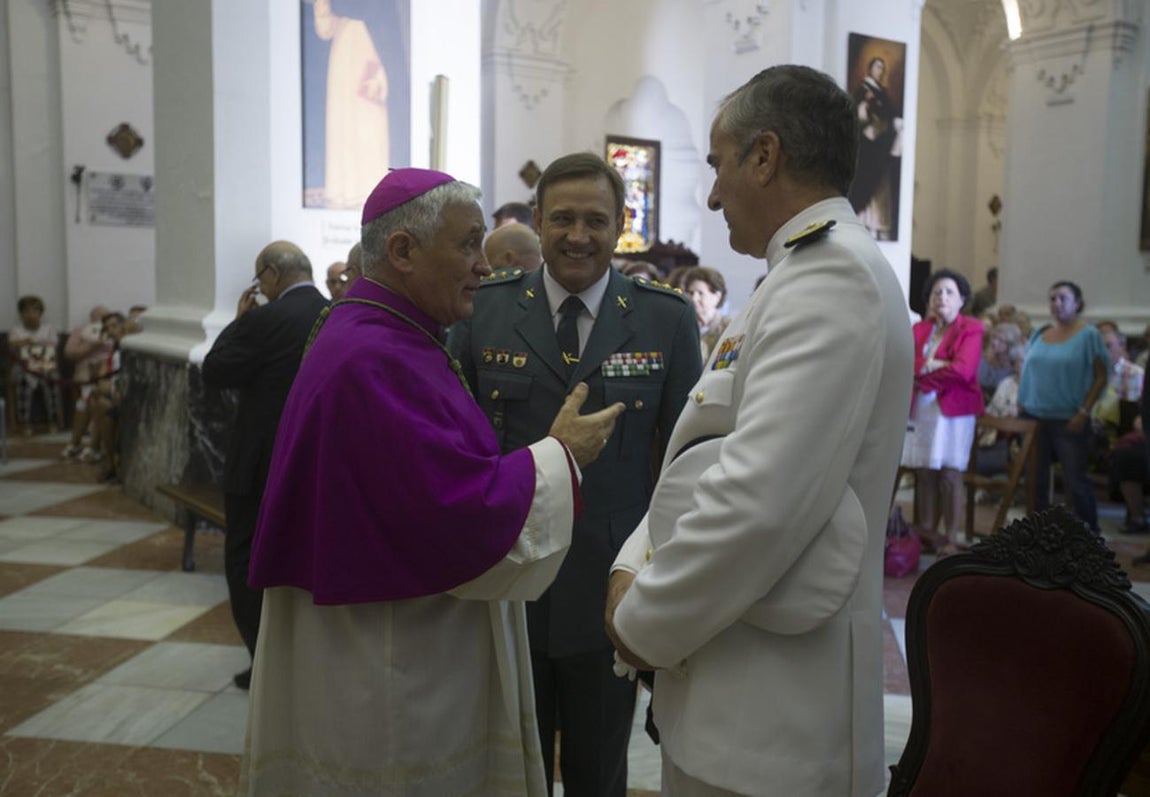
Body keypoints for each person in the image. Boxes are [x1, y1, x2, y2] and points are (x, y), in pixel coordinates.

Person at [239, 168, 625, 796]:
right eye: (469, 244)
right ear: (402, 251)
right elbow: (452, 511)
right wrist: (561, 455)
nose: (483, 265)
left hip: (391, 634)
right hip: (391, 660)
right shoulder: (374, 357)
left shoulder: (386, 334)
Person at [605, 65, 913, 796]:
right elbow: (698, 462)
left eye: (719, 164)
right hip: (734, 696)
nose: (712, 194)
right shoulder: (796, 274)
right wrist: (632, 560)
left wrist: (640, 619)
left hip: (772, 726)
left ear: (766, 155)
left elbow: (758, 501)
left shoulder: (830, 278)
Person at [448, 152, 702, 797]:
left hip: (607, 591)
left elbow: (685, 466)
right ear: (537, 221)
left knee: (599, 773)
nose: (578, 236)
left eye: (596, 220)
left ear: (622, 225)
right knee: (509, 771)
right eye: (562, 219)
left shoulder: (666, 318)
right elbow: (456, 446)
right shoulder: (485, 309)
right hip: (506, 581)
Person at [201, 241, 328, 689]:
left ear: (272, 274)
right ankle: (307, 664)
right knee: (304, 565)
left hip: (259, 464)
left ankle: (265, 664)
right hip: (316, 463)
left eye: (260, 279)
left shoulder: (265, 319)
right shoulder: (335, 314)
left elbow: (215, 369)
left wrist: (239, 322)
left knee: (247, 562)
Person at [901, 269, 985, 556]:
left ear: (962, 299)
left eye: (950, 292)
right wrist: (934, 365)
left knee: (950, 472)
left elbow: (963, 370)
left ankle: (950, 538)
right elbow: (908, 363)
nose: (942, 297)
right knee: (925, 471)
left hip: (954, 411)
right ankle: (927, 533)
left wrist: (926, 372)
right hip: (923, 408)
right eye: (937, 292)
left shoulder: (971, 328)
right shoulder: (919, 329)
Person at [1018, 280, 1109, 532]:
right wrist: (1021, 403)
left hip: (1069, 418)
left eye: (1062, 298)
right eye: (1052, 299)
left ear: (1077, 303)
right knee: (1035, 480)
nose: (1056, 303)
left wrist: (1084, 411)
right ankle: (1038, 534)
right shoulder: (1040, 333)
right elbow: (1027, 371)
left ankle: (1089, 535)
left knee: (1075, 480)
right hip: (1033, 416)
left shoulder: (1088, 335)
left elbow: (1101, 376)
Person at [847, 56, 902, 241]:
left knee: (881, 187)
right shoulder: (863, 89)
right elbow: (857, 116)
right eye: (877, 67)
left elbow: (890, 113)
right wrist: (865, 107)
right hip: (868, 146)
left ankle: (878, 226)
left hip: (881, 145)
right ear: (870, 69)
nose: (880, 71)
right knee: (868, 185)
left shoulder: (882, 92)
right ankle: (865, 224)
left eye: (882, 69)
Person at [61, 304, 113, 460]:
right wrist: (91, 346)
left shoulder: (116, 339)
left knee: (92, 400)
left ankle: (93, 446)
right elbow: (69, 353)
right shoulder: (82, 331)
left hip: (108, 379)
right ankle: (75, 443)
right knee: (85, 400)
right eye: (99, 317)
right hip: (89, 372)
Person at [7, 295, 63, 436]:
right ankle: (24, 423)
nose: (31, 314)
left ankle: (54, 421)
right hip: (23, 366)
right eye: (26, 311)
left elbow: (54, 346)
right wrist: (27, 341)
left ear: (40, 313)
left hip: (45, 364)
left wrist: (34, 343)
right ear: (21, 314)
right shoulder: (16, 330)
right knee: (24, 380)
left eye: (34, 311)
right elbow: (12, 345)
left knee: (52, 379)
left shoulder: (49, 328)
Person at [682, 265, 731, 362]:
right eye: (691, 293)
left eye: (700, 293)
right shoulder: (682, 326)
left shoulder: (728, 327)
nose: (694, 298)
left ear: (717, 296)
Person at [978, 321, 1023, 403]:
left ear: (1010, 345)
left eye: (1000, 340)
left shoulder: (1016, 365)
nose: (994, 342)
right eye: (994, 337)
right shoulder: (983, 359)